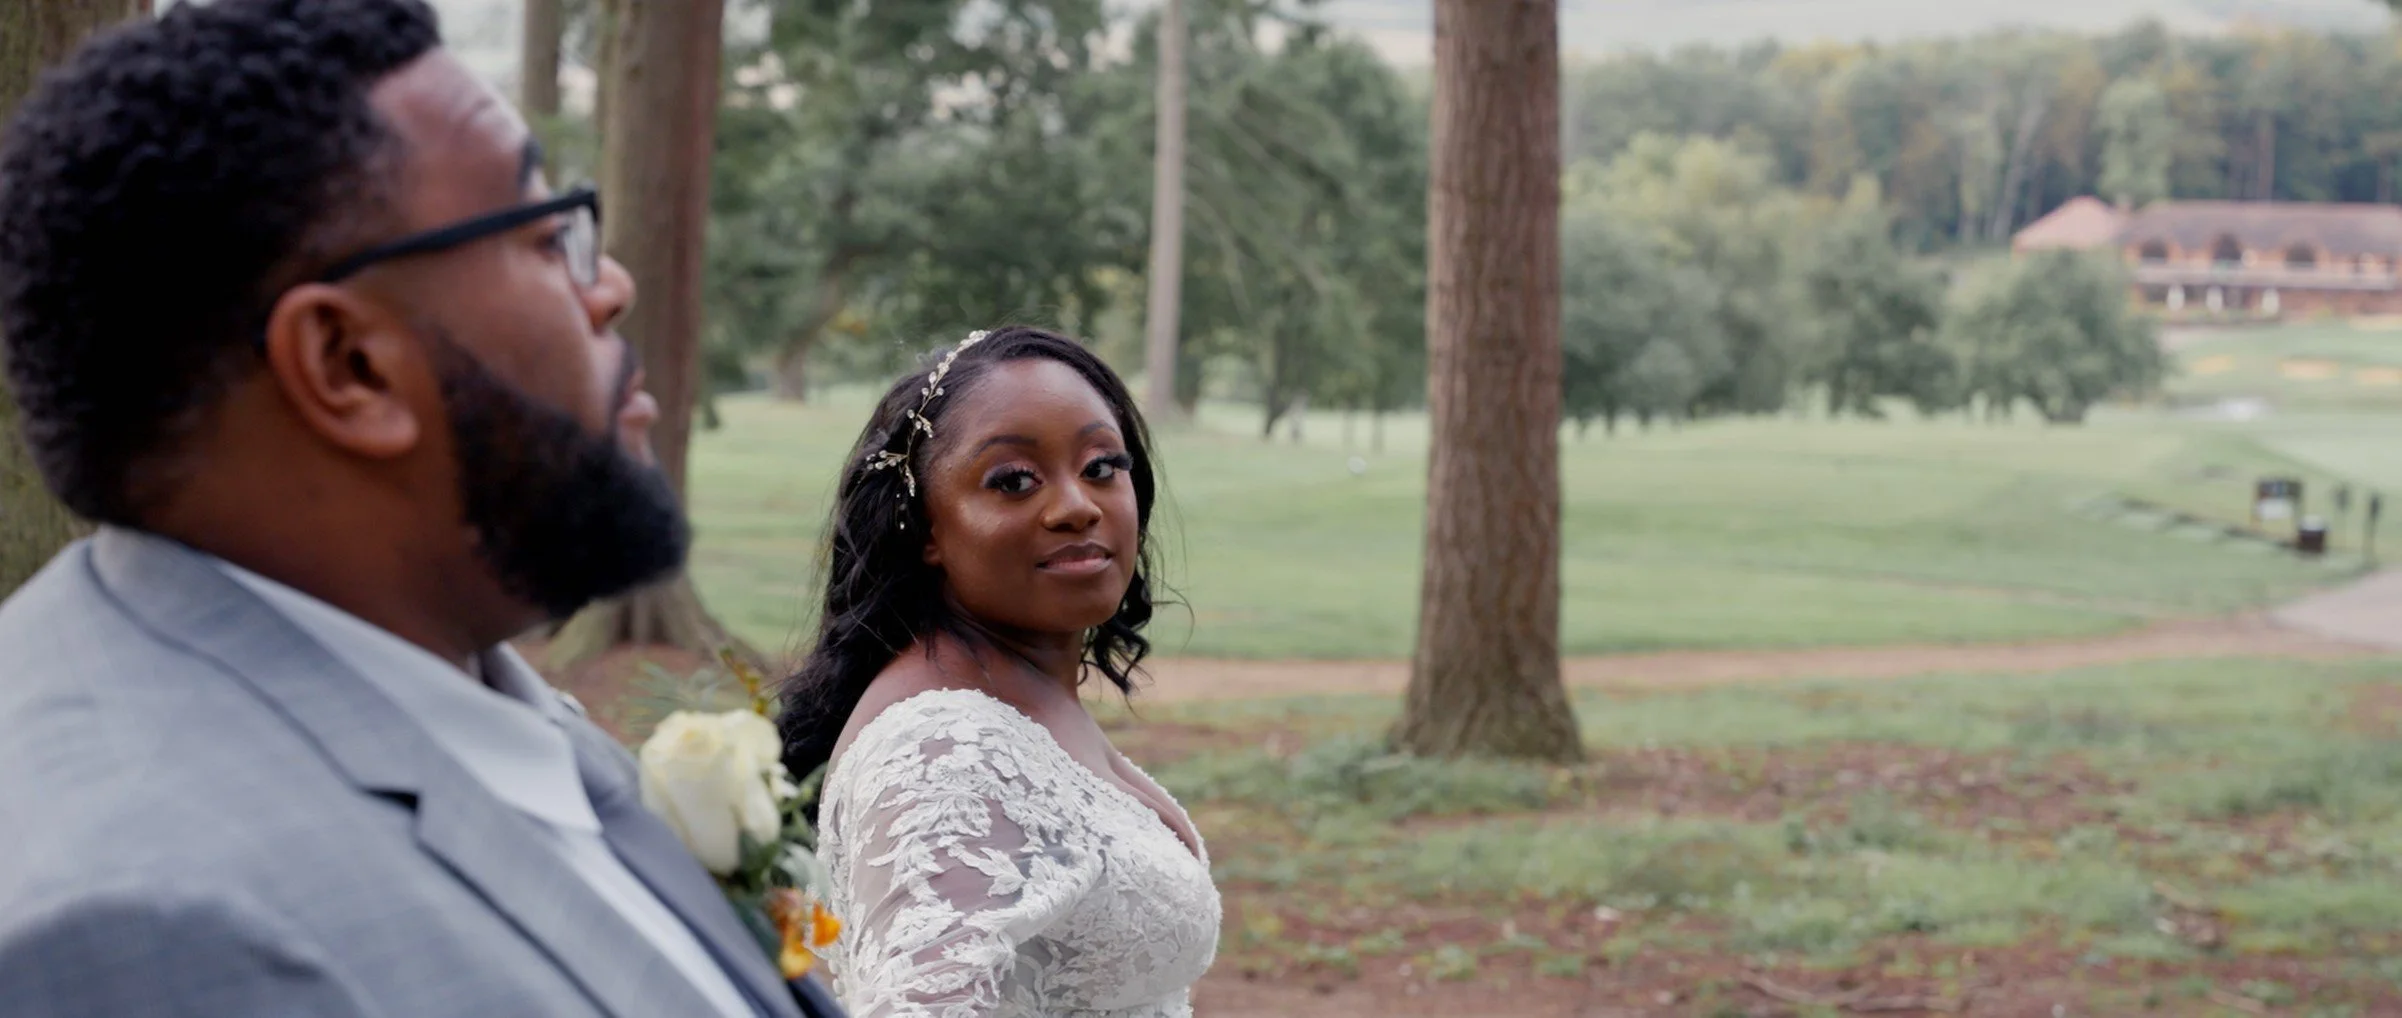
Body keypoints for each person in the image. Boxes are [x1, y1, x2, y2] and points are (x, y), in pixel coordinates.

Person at [0, 2, 832, 1015]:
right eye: (543, 234)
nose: (607, 286)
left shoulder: (445, 675)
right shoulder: (151, 929)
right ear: (348, 366)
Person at [778, 326, 1221, 1018]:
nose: (1077, 505)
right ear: (925, 528)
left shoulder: (1013, 695)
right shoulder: (943, 754)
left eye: (1103, 466)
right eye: (1014, 481)